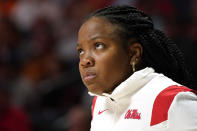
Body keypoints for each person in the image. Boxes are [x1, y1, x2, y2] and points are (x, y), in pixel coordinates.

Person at [76, 5, 197, 131]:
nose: (85, 61)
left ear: (134, 53)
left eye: (98, 45)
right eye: (81, 51)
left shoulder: (172, 101)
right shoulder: (99, 102)